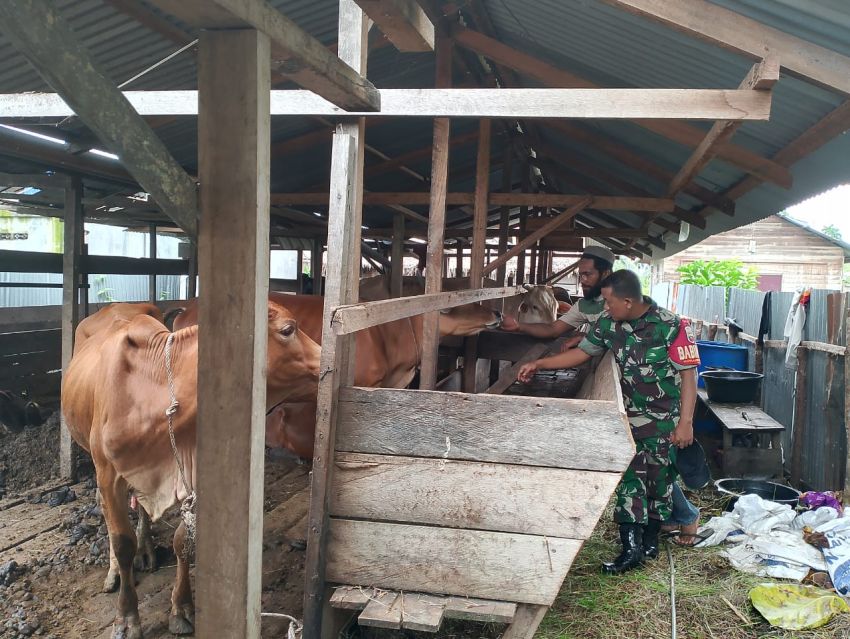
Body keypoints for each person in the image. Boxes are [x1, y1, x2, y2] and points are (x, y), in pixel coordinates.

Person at [517, 270, 700, 574]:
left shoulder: (671, 326)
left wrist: (686, 422)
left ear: (628, 301)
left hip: (663, 420)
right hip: (625, 419)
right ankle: (630, 549)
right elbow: (580, 353)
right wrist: (539, 363)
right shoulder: (608, 323)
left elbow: (688, 375)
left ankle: (650, 541)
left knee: (660, 480)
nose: (605, 306)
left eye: (609, 301)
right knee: (630, 482)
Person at [500, 245, 614, 348]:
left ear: (605, 273)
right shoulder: (583, 306)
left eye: (588, 274)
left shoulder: (623, 300)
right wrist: (519, 326)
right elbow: (552, 329)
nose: (582, 280)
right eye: (581, 275)